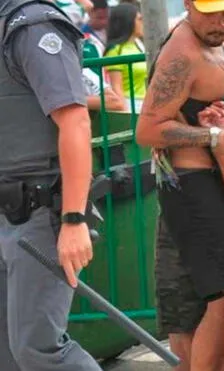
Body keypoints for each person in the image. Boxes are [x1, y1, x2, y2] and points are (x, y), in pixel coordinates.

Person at [135, 0, 224, 369]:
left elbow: (201, 92)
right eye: (211, 12)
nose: (220, 22)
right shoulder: (182, 53)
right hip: (192, 186)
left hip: (211, 180)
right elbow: (147, 130)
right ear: (188, 5)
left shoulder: (216, 40)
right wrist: (212, 136)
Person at [0, 0, 101, 370]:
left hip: (40, 211)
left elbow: (75, 121)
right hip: (9, 210)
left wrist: (74, 219)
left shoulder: (33, 27)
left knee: (38, 349)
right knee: (8, 354)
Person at [104, 2, 146, 112]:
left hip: (145, 103)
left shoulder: (140, 45)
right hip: (131, 104)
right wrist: (125, 114)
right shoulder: (116, 50)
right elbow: (116, 86)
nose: (143, 22)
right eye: (139, 19)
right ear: (128, 22)